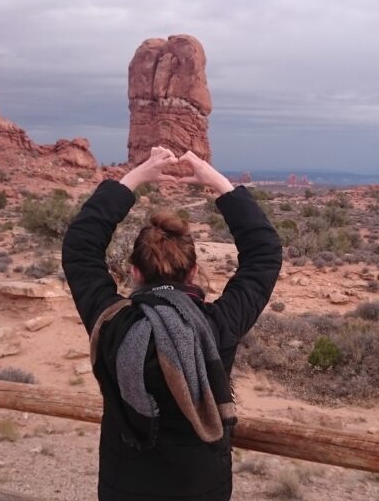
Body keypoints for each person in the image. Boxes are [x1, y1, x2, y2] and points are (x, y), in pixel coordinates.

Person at [62, 146, 282, 501]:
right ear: (193, 271)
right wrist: (216, 182)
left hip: (123, 489)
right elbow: (264, 253)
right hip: (202, 489)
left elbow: (79, 247)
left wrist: (136, 176)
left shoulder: (113, 323)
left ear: (134, 272)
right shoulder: (215, 326)